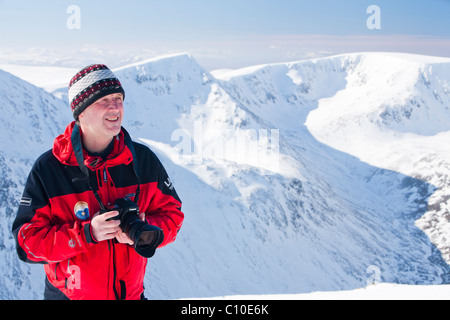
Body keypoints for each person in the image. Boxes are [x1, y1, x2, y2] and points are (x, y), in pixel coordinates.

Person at [12, 64, 184, 300]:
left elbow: (173, 215)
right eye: (103, 100)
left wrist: (146, 228)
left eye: (118, 98)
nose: (114, 107)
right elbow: (27, 243)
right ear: (80, 112)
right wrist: (86, 234)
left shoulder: (143, 161)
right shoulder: (49, 169)